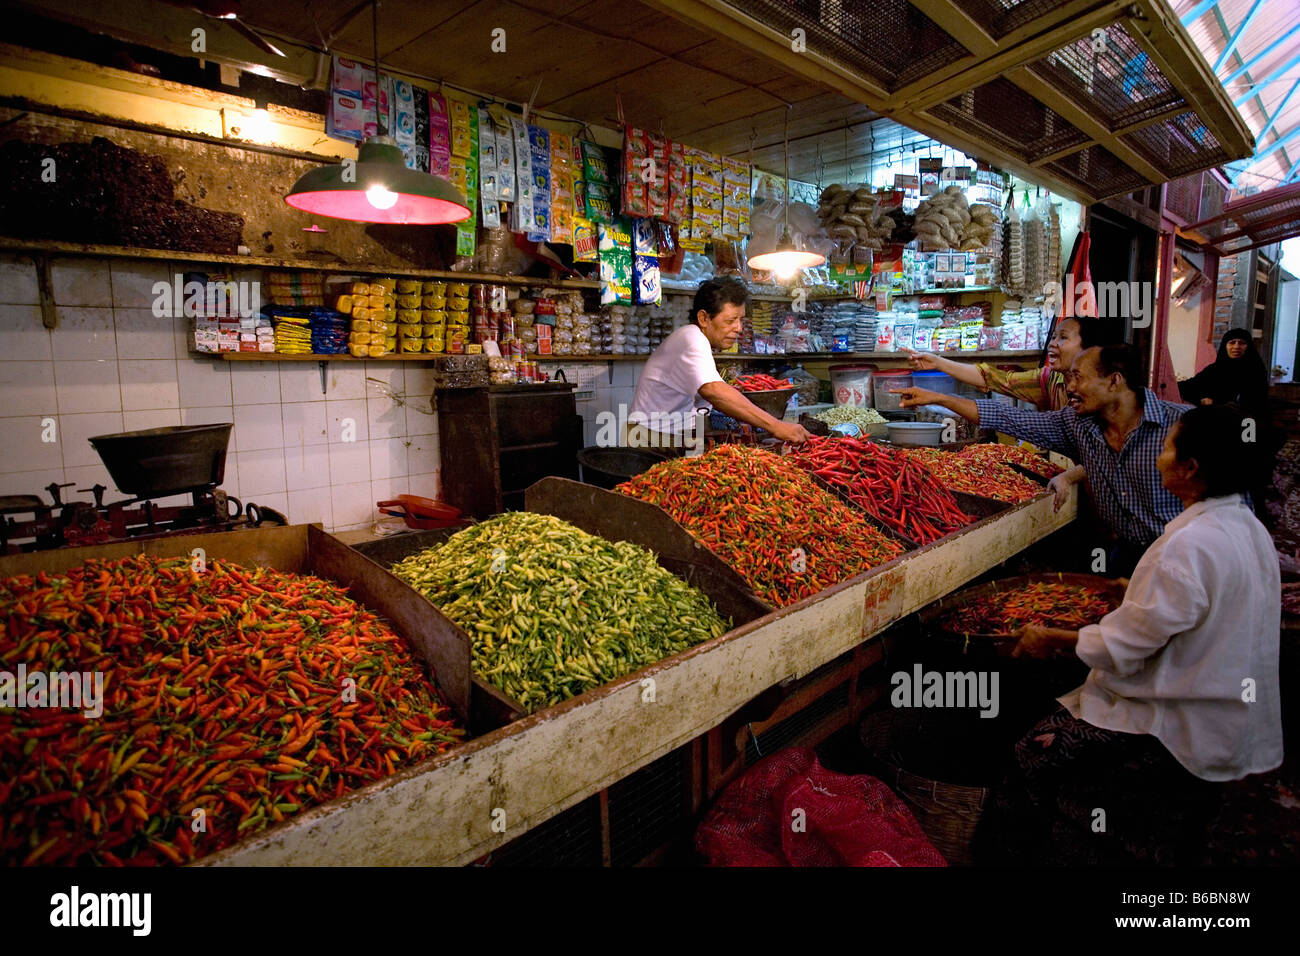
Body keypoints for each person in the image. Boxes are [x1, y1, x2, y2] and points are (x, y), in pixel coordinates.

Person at [974, 405, 1282, 865]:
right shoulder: (1245, 526)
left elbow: (1125, 647)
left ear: (1190, 468)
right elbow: (1196, 608)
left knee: (1028, 756)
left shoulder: (1186, 545)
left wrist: (1050, 637)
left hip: (1175, 718)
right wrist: (1135, 591)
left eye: (1168, 447)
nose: (1159, 457)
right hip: (1227, 713)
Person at [896, 344, 1190, 576]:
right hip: (1126, 552)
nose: (1069, 387)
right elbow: (1010, 418)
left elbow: (1229, 499)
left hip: (1185, 555)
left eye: (1078, 377)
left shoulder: (1182, 424)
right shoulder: (1077, 424)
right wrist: (938, 398)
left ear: (1114, 381)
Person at [905, 316, 1105, 507]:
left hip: (1102, 487)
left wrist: (1069, 476)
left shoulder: (1103, 396)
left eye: (1063, 337)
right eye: (1053, 337)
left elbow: (1106, 454)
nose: (1053, 344)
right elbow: (997, 383)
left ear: (1088, 350)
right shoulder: (1050, 379)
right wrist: (938, 363)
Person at [626, 277, 810, 452]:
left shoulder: (695, 339)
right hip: (651, 437)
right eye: (730, 320)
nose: (738, 328)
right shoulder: (691, 338)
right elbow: (714, 390)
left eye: (741, 320)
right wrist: (776, 426)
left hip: (670, 434)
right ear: (704, 318)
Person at [1178, 328, 1268, 415]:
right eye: (1232, 343)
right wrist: (1200, 399)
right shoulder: (1214, 370)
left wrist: (1216, 402)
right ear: (1225, 346)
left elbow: (1252, 402)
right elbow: (1189, 387)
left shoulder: (1255, 371)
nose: (1236, 347)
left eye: (1242, 343)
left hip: (1245, 422)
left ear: (1248, 346)